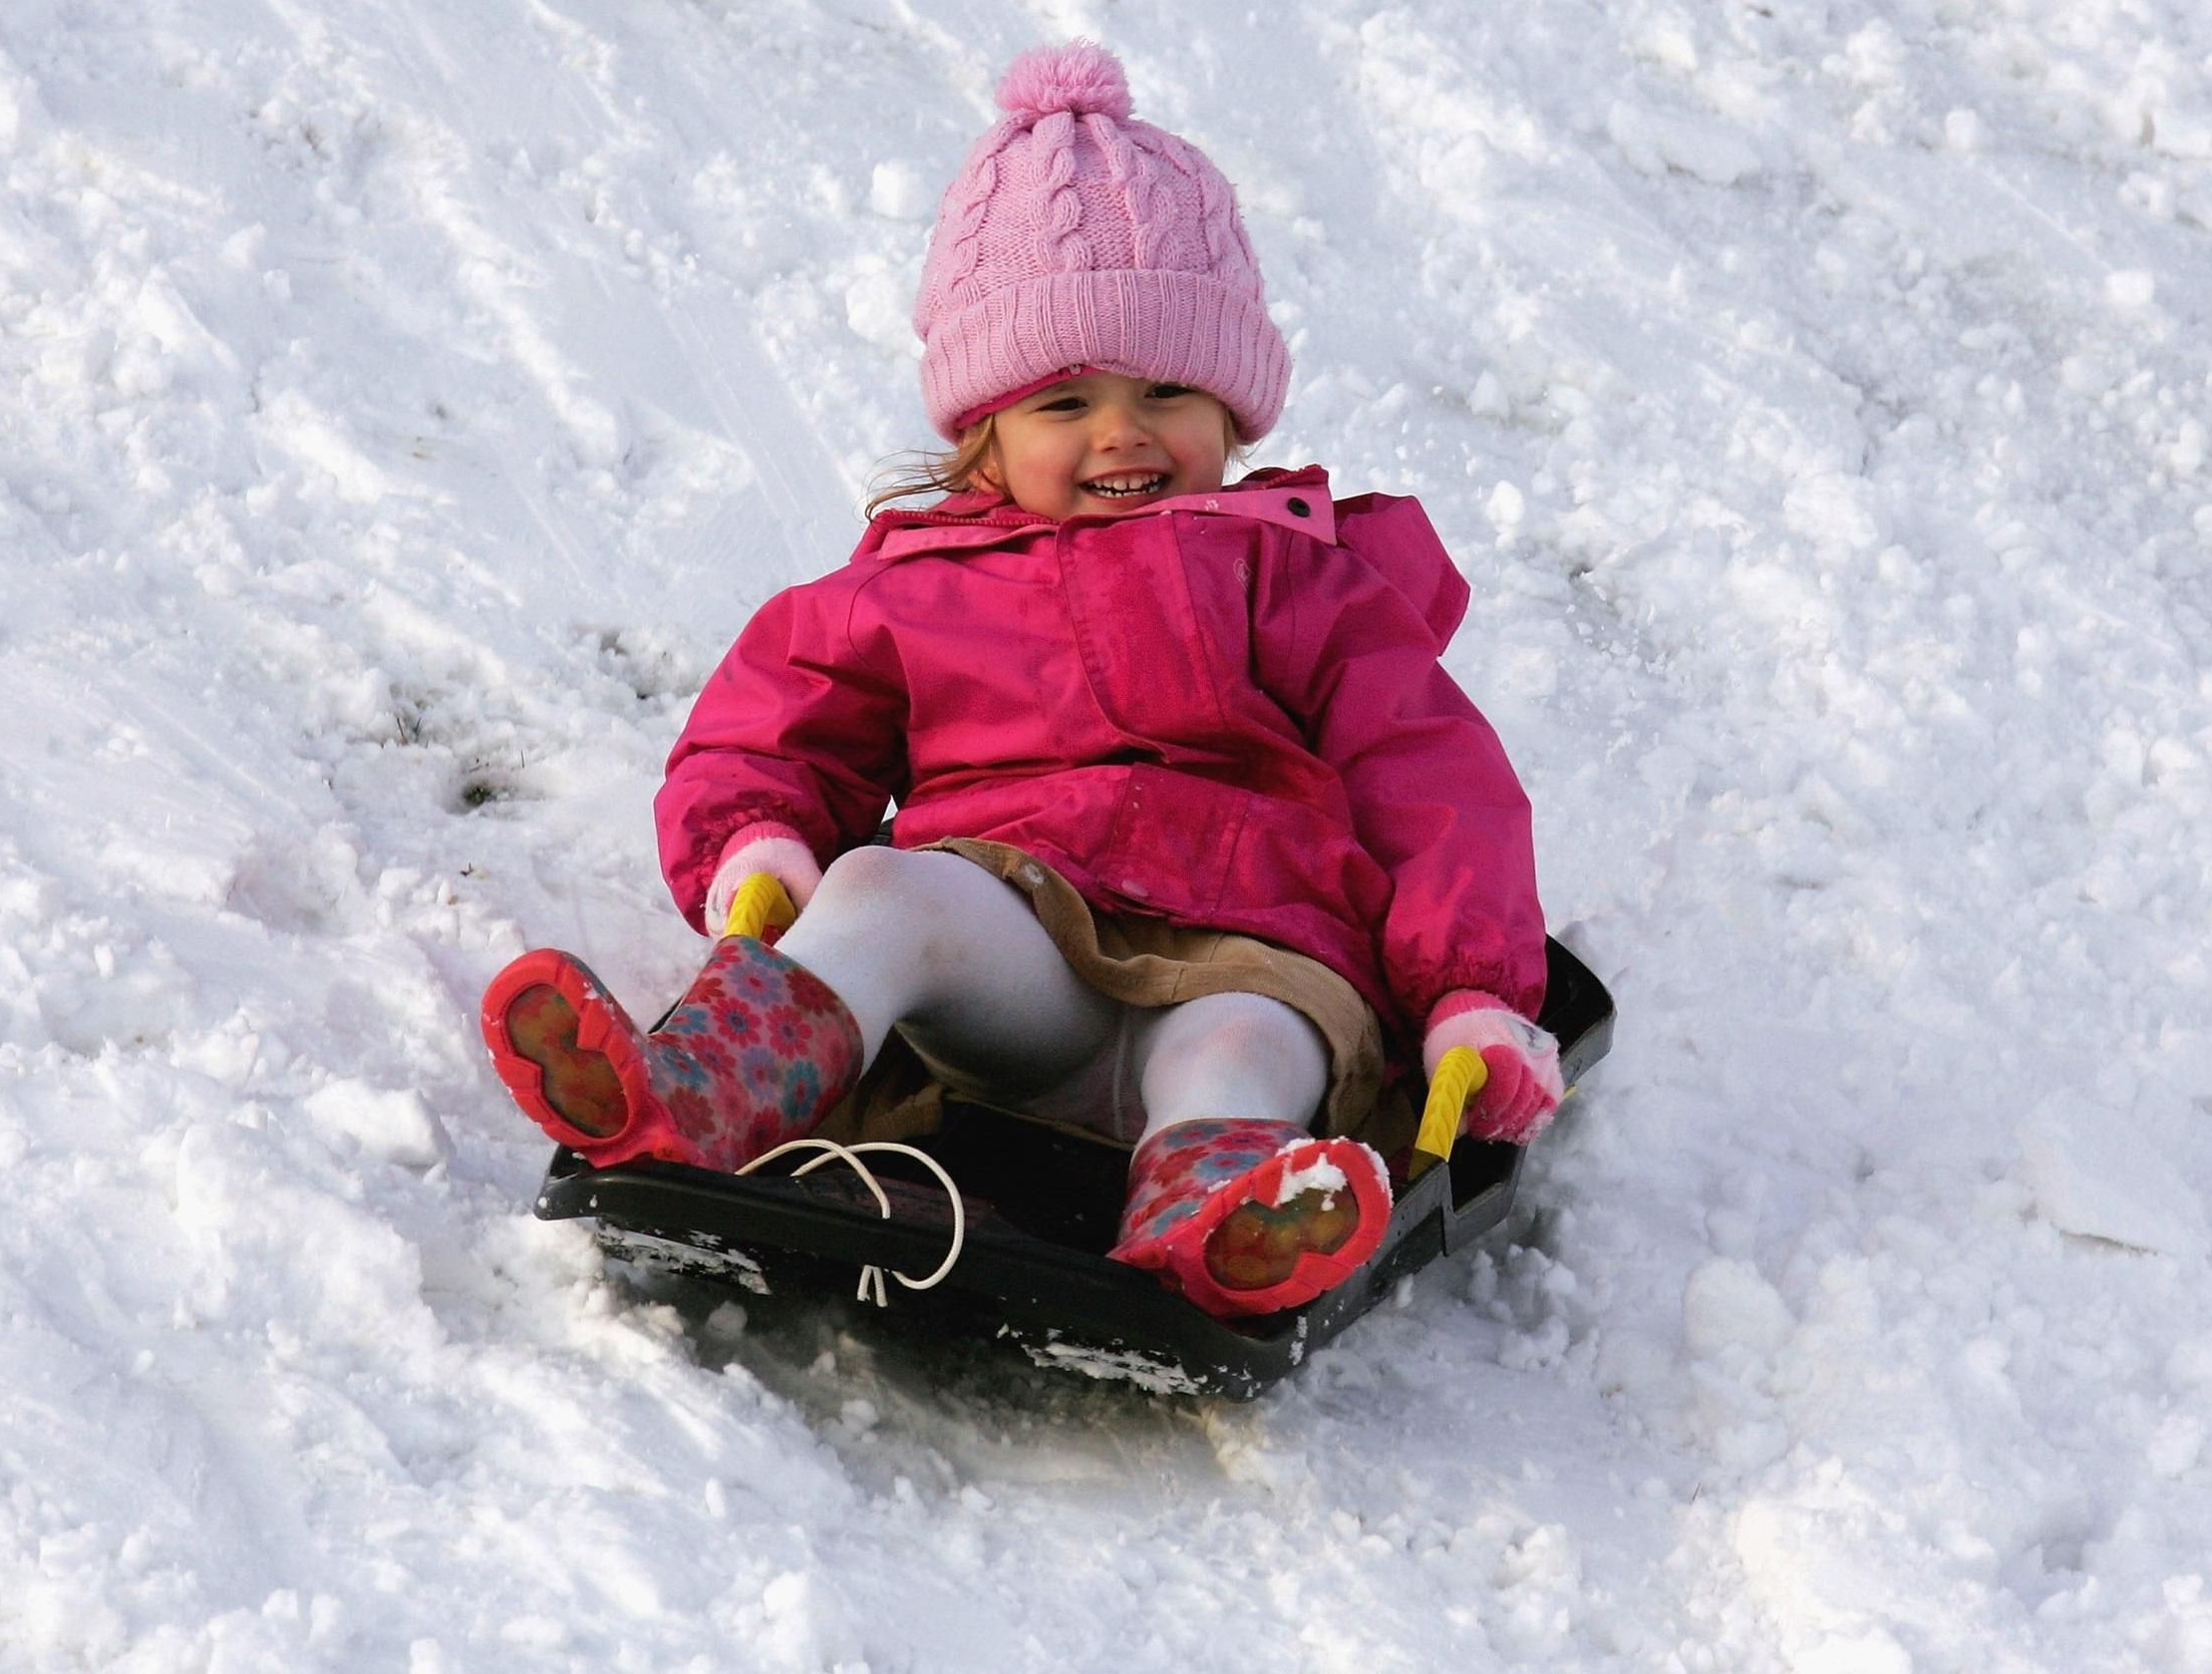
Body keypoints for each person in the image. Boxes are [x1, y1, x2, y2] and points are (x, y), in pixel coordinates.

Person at [480, 40, 1561, 1320]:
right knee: (885, 884)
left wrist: (1468, 992)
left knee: (1243, 1051)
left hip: (1248, 962)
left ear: (1235, 415)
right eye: (1064, 400)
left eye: (1168, 389)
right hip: (1018, 974)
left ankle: (1213, 1221)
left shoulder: (1305, 582)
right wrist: (755, 843)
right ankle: (695, 1097)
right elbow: (778, 722)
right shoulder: (918, 583)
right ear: (983, 428)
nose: (1121, 430)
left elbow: (1433, 781)